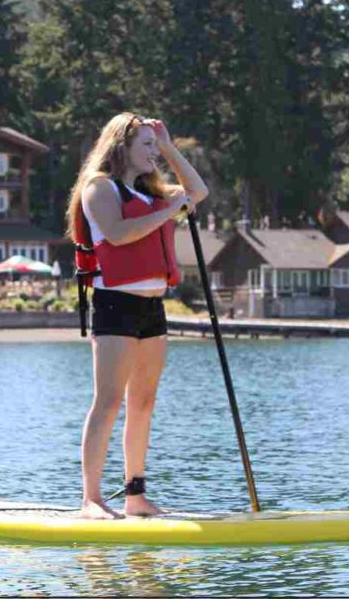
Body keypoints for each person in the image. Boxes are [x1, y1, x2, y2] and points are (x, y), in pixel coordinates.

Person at [66, 112, 208, 520]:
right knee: (109, 401)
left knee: (143, 401)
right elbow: (118, 234)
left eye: (153, 145)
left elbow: (198, 190)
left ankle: (135, 495)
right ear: (121, 147)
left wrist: (168, 146)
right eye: (145, 144)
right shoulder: (99, 188)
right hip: (116, 305)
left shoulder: (149, 192)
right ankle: (91, 498)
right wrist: (170, 210)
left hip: (152, 307)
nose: (152, 153)